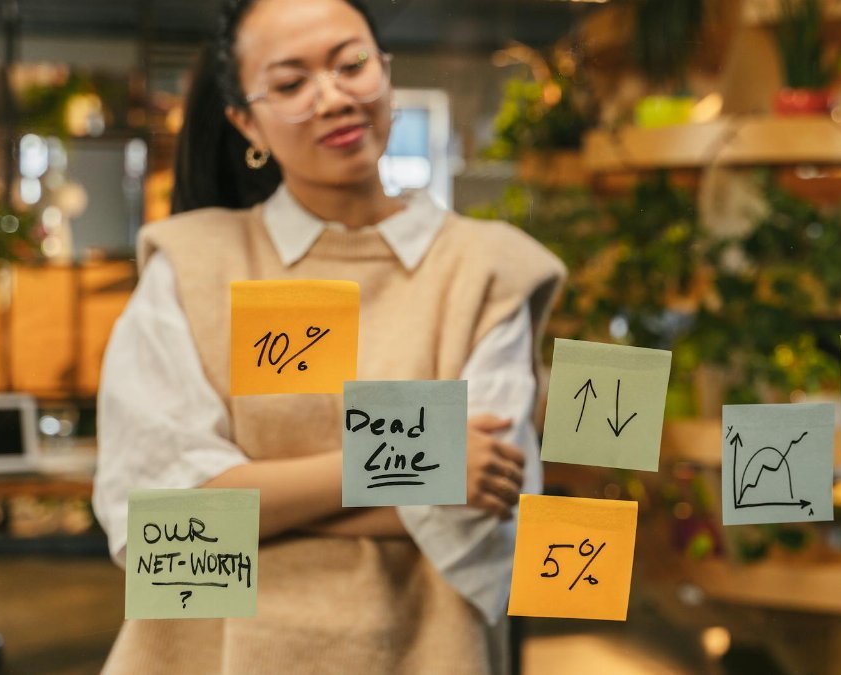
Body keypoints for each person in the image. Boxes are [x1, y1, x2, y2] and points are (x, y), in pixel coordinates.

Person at [91, 0, 565, 672]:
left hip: (421, 651)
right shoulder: (189, 265)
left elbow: (488, 510)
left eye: (351, 65)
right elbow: (155, 525)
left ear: (386, 71)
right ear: (245, 121)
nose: (334, 97)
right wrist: (415, 470)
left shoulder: (487, 269)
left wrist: (253, 501)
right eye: (290, 84)